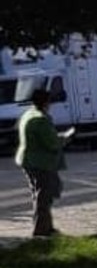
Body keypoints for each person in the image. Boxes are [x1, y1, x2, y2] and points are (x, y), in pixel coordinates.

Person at [15, 89, 73, 237]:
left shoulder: (28, 114)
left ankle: (47, 227)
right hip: (40, 163)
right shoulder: (40, 119)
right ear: (46, 103)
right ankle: (42, 231)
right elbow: (51, 143)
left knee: (40, 195)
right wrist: (65, 138)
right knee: (44, 196)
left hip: (28, 160)